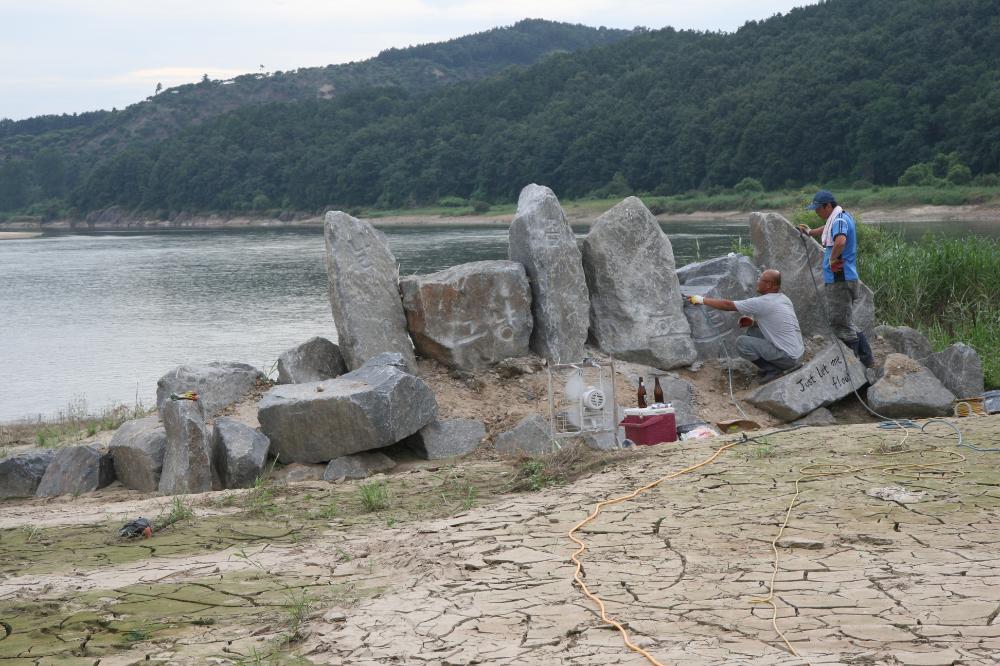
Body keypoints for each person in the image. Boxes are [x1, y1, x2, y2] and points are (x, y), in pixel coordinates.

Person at [796, 189, 873, 367]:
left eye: (818, 208)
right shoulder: (841, 217)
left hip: (840, 279)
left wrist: (832, 259)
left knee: (840, 323)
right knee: (846, 320)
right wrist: (811, 232)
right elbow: (829, 229)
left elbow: (840, 241)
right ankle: (866, 359)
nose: (816, 212)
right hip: (845, 278)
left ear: (828, 206)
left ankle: (851, 365)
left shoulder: (838, 220)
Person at [687, 269, 804, 383]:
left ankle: (772, 370)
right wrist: (753, 323)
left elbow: (728, 305)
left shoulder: (762, 302)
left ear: (769, 285)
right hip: (798, 353)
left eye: (760, 279)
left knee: (742, 342)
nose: (757, 281)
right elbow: (778, 323)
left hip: (789, 357)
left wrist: (702, 299)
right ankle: (775, 365)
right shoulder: (784, 299)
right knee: (752, 332)